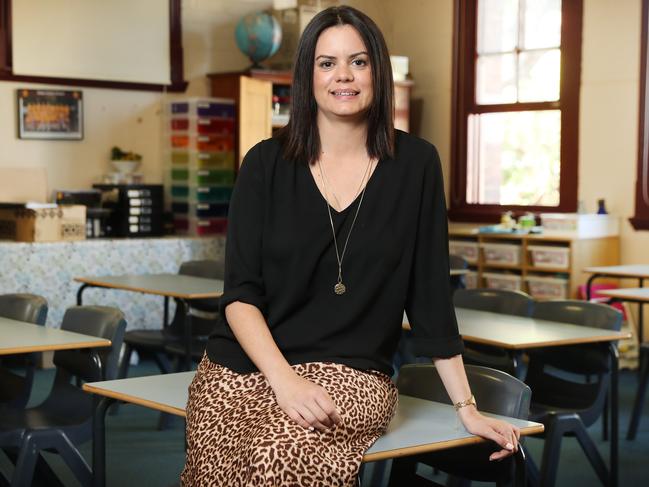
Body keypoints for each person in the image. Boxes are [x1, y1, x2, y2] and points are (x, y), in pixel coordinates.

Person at [181, 6, 520, 486]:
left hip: (352, 374)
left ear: (377, 71)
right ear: (308, 76)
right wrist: (285, 381)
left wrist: (467, 408)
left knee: (275, 454)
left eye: (358, 62)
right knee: (221, 463)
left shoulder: (416, 165)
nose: (343, 76)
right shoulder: (264, 164)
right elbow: (239, 295)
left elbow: (431, 300)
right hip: (247, 367)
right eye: (327, 63)